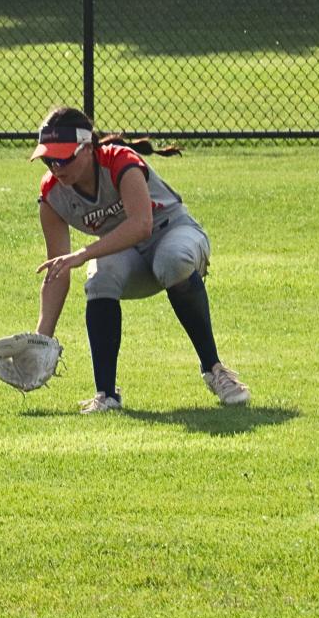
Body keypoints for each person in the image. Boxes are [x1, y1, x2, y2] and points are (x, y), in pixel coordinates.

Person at [29, 106, 250, 413]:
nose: (55, 165)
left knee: (171, 262)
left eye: (63, 156)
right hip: (128, 255)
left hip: (173, 233)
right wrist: (42, 337)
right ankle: (106, 395)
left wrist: (83, 253)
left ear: (87, 148)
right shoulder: (52, 195)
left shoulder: (120, 161)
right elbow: (58, 269)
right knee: (100, 278)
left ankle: (215, 370)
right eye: (47, 158)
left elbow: (141, 225)